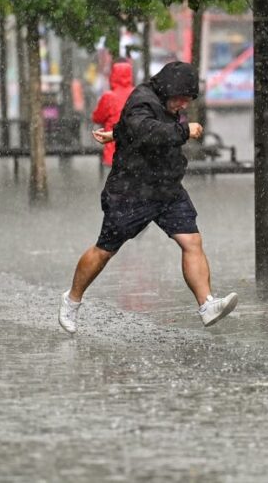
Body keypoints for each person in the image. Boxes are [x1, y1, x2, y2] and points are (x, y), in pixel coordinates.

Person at [58, 61, 238, 334]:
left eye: (188, 101)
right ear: (169, 90)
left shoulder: (160, 102)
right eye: (181, 100)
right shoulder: (142, 99)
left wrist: (115, 133)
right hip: (132, 191)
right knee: (104, 250)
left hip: (167, 187)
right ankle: (71, 300)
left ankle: (206, 305)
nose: (183, 106)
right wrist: (184, 131)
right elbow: (146, 130)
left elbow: (133, 126)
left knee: (191, 241)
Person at [91, 61, 134, 166]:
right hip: (134, 152)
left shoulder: (109, 97)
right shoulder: (137, 94)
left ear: (113, 75)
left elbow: (97, 117)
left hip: (114, 151)